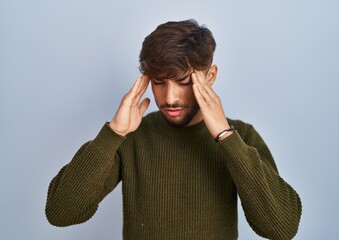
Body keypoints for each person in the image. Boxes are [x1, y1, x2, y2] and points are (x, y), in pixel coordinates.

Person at [45, 19, 302, 240]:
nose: (170, 98)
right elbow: (61, 212)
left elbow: (281, 228)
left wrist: (225, 137)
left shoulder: (241, 137)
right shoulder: (133, 137)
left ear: (210, 76)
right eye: (158, 82)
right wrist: (114, 133)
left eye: (183, 82)